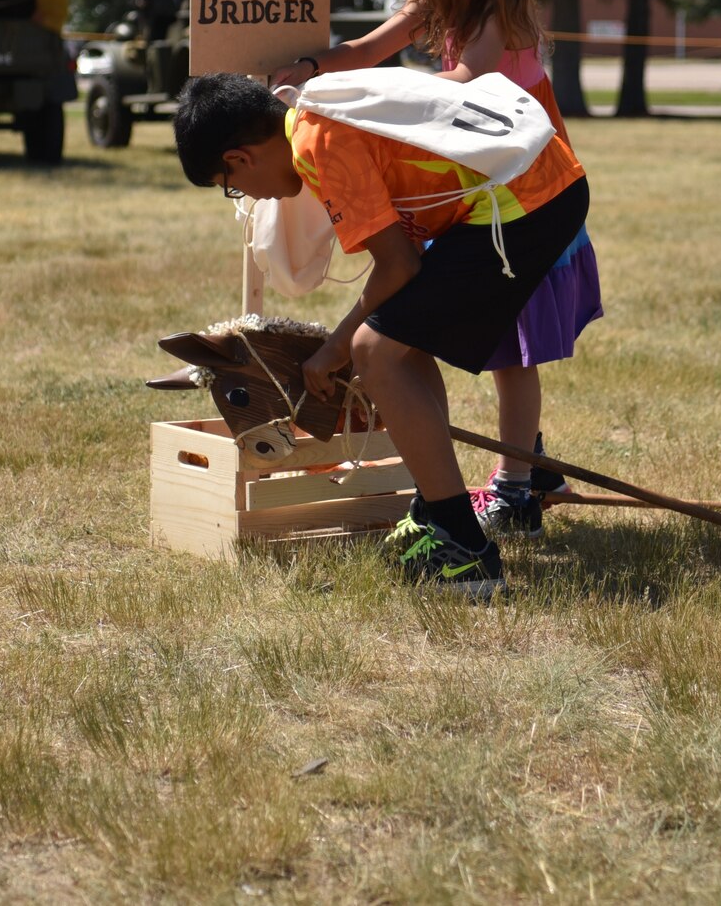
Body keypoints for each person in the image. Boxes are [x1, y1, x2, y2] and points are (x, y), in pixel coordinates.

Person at [269, 0, 603, 539]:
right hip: (471, 194)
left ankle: (515, 490)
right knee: (496, 342)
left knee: (515, 353)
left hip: (520, 198)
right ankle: (529, 465)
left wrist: (370, 97)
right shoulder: (444, 0)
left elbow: (460, 87)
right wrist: (308, 70)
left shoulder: (497, 16)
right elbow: (367, 49)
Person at [173, 71, 590, 596]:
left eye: (231, 187)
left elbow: (398, 267)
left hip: (526, 204)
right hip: (543, 180)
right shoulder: (316, 107)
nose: (246, 195)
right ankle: (439, 514)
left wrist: (335, 346)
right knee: (396, 340)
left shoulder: (317, 142)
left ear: (239, 158)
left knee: (375, 349)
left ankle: (466, 553)